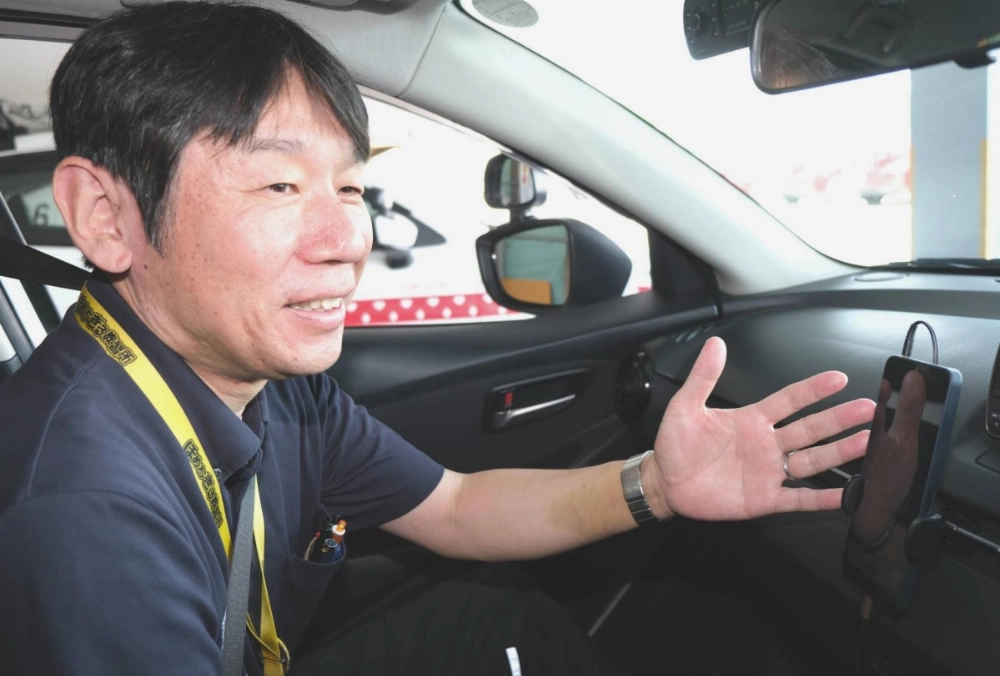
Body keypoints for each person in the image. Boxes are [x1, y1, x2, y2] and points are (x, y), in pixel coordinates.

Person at [0, 2, 875, 674]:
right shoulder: (85, 511)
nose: (347, 238)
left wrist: (655, 484)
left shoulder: (272, 382)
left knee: (497, 617)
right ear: (106, 217)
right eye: (276, 185)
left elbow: (454, 507)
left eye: (347, 189)